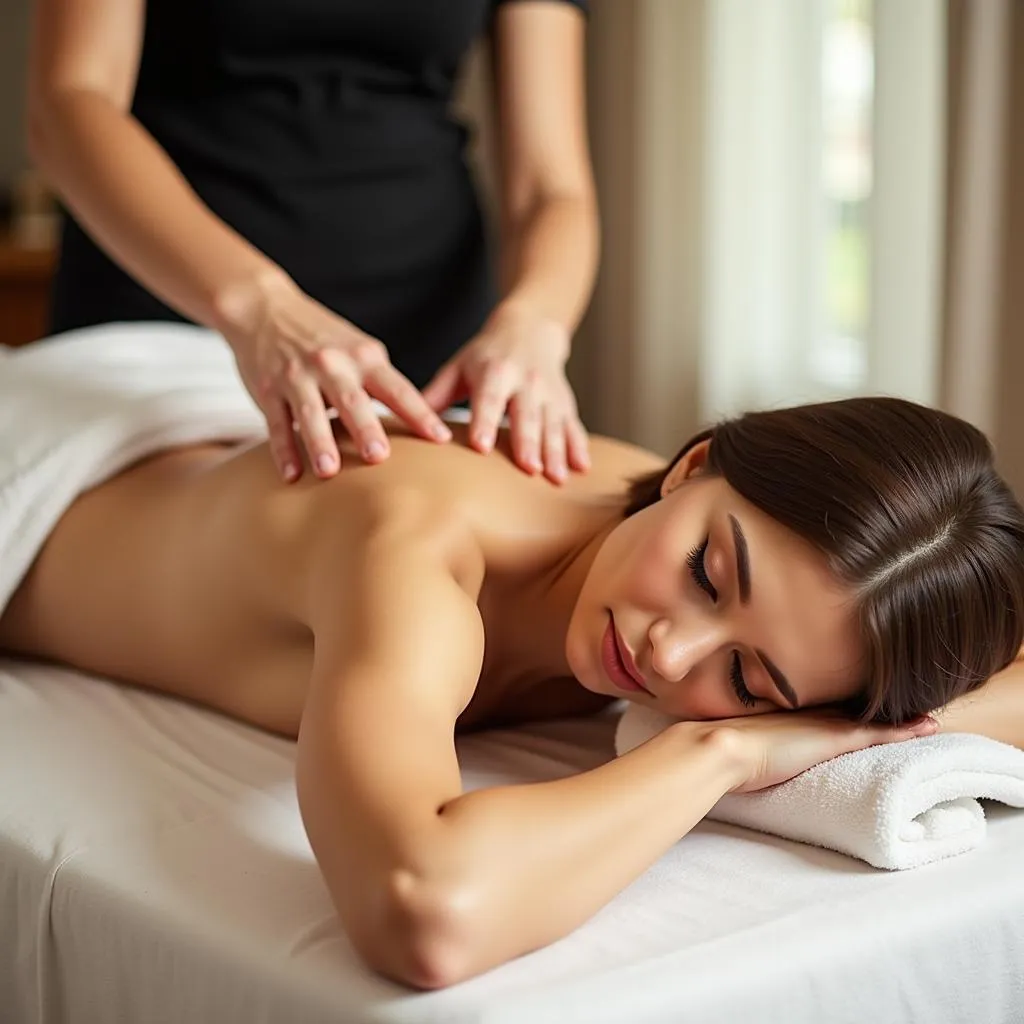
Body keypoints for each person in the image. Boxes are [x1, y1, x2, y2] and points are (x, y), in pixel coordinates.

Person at [2, 390, 1024, 990]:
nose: (670, 656)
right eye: (710, 574)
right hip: (45, 476)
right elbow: (422, 908)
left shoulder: (725, 541)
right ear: (693, 464)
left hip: (199, 436)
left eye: (750, 678)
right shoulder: (414, 556)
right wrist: (719, 750)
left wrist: (836, 719)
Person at [26, 0, 597, 484]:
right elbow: (72, 101)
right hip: (166, 326)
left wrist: (535, 324)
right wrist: (258, 307)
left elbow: (551, 186)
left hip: (427, 353)